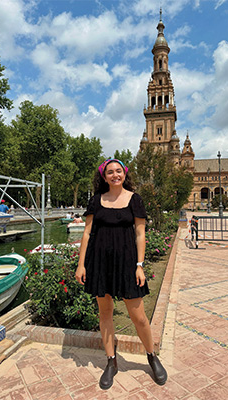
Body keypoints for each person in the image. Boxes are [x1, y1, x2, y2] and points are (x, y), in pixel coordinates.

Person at [75, 159, 167, 390]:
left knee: (139, 317)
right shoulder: (96, 200)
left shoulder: (134, 199)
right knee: (105, 313)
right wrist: (81, 264)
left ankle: (151, 356)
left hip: (127, 263)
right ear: (103, 177)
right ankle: (111, 361)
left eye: (118, 171)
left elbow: (139, 234)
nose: (115, 175)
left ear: (124, 173)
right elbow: (86, 234)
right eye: (110, 172)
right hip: (99, 262)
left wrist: (139, 265)